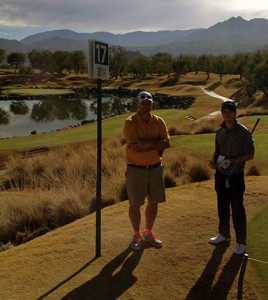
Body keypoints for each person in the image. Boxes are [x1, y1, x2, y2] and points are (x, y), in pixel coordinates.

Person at [123, 91, 171, 250]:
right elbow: (135, 147)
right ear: (137, 104)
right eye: (142, 102)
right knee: (135, 204)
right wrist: (155, 144)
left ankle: (148, 232)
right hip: (136, 170)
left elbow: (166, 143)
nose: (146, 104)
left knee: (154, 201)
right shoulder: (130, 122)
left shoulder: (159, 121)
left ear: (152, 104)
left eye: (148, 101)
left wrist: (147, 144)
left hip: (156, 168)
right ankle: (136, 234)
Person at [208, 101, 255, 255]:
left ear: (235, 113)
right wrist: (213, 161)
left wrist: (231, 161)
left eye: (230, 111)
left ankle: (241, 243)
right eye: (224, 111)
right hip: (220, 175)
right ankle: (224, 235)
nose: (227, 114)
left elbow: (250, 155)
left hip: (235, 176)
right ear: (222, 113)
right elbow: (217, 150)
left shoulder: (243, 132)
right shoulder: (220, 131)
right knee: (222, 207)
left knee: (237, 210)